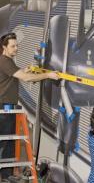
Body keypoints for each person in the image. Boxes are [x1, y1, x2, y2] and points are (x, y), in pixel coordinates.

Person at [0, 32, 60, 180]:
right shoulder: (4, 61)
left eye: (17, 45)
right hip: (4, 107)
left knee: (8, 141)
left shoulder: (8, 61)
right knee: (3, 141)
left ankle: (6, 175)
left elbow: (15, 75)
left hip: (9, 106)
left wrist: (25, 70)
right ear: (4, 47)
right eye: (13, 46)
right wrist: (48, 75)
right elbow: (25, 78)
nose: (16, 48)